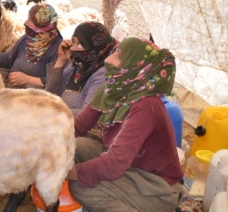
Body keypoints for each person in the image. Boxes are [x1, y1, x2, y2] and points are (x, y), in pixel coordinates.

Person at [66, 37, 184, 212]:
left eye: (119, 56)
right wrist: (47, 146)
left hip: (156, 186)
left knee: (82, 188)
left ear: (136, 67)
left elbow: (114, 164)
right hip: (131, 167)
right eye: (114, 52)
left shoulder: (146, 105)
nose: (108, 59)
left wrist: (67, 173)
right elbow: (79, 126)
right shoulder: (113, 89)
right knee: (74, 145)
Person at [0, 3, 63, 88]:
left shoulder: (57, 50)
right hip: (12, 88)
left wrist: (27, 80)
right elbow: (9, 57)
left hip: (33, 97)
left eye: (31, 20)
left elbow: (55, 82)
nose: (25, 23)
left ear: (42, 24)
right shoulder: (28, 38)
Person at [45, 21, 117, 115]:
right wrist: (61, 60)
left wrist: (55, 112)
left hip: (73, 127)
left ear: (93, 46)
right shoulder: (77, 66)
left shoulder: (102, 75)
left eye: (79, 44)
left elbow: (87, 115)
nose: (72, 48)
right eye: (73, 42)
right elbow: (50, 94)